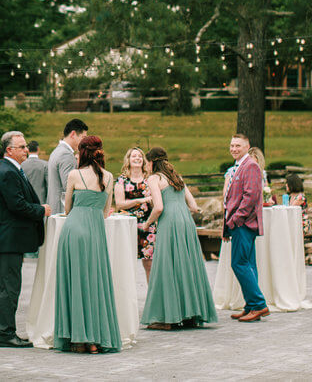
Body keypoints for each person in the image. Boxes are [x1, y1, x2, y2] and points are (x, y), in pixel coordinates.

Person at [54, 135, 120, 354]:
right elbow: (106, 211)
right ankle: (94, 340)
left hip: (74, 229)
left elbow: (67, 209)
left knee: (75, 282)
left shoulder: (74, 174)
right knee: (94, 283)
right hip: (95, 231)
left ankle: (77, 339)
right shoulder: (109, 177)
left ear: (81, 153)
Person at [140, 147, 217, 330]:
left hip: (169, 222)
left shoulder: (154, 178)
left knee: (167, 266)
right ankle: (190, 314)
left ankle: (168, 319)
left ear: (151, 162)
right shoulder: (177, 177)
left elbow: (158, 207)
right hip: (185, 222)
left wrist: (147, 223)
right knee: (186, 265)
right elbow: (193, 205)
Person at [0, 131, 49, 348]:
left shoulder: (13, 169)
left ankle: (1, 330)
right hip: (7, 239)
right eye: (22, 146)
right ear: (10, 150)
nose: (27, 150)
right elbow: (17, 205)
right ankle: (6, 334)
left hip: (9, 239)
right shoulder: (7, 172)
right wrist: (41, 210)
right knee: (10, 288)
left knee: (6, 287)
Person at [224, 134, 268, 322]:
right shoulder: (238, 166)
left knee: (239, 263)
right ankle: (251, 305)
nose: (234, 149)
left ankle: (259, 305)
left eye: (238, 146)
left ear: (247, 146)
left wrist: (235, 220)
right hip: (239, 223)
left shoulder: (250, 166)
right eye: (232, 145)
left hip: (244, 223)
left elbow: (250, 197)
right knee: (248, 264)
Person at [114, 147, 155, 281]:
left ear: (143, 160)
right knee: (126, 264)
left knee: (149, 264)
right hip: (127, 225)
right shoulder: (122, 180)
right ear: (128, 160)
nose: (137, 158)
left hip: (148, 225)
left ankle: (151, 297)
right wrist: (140, 200)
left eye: (139, 156)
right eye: (133, 156)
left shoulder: (150, 179)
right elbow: (119, 204)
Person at [46, 118, 89, 215]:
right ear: (73, 134)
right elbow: (69, 187)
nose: (84, 142)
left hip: (54, 207)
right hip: (63, 210)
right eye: (83, 138)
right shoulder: (66, 155)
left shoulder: (57, 151)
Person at [21, 141, 48, 209]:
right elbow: (48, 184)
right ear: (38, 149)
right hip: (41, 200)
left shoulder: (21, 165)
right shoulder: (45, 164)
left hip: (25, 201)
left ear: (27, 150)